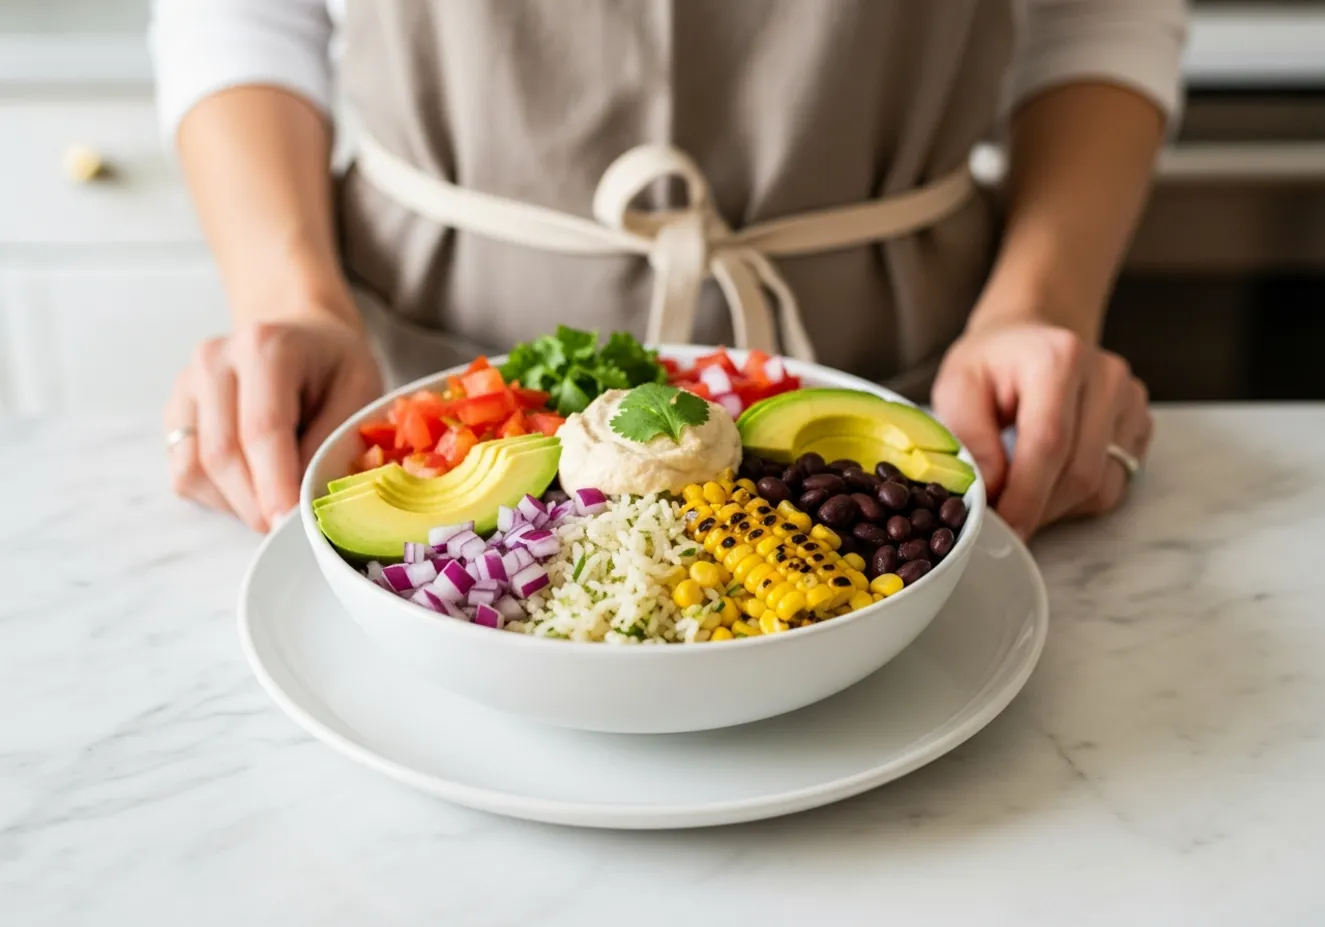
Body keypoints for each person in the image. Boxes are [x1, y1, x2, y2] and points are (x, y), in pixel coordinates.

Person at [151, 0, 1184, 541]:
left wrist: (1036, 304)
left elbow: (1094, 13)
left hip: (911, 368)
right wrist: (291, 296)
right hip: (424, 362)